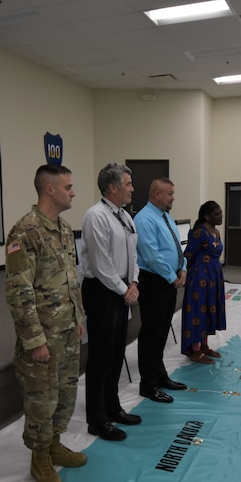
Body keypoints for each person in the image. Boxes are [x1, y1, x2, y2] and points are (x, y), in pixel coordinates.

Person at [5, 164, 86, 482]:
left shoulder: (65, 229)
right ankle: (39, 455)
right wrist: (34, 340)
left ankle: (54, 442)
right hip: (43, 336)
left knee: (65, 393)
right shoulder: (25, 232)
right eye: (68, 186)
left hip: (67, 330)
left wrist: (79, 320)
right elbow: (18, 291)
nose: (73, 191)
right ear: (49, 190)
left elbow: (71, 281)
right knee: (42, 399)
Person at [80, 163, 141, 441]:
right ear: (113, 187)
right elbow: (100, 263)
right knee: (101, 357)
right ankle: (97, 418)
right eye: (127, 184)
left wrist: (134, 282)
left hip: (121, 290)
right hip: (104, 292)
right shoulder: (96, 216)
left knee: (117, 353)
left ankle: (113, 408)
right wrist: (123, 289)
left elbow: (133, 254)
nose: (131, 189)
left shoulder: (124, 216)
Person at [134, 178, 188, 403]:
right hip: (155, 282)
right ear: (157, 194)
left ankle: (160, 375)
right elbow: (151, 254)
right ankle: (148, 384)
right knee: (151, 334)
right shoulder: (144, 219)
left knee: (163, 330)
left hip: (169, 281)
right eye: (170, 193)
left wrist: (183, 268)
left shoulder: (165, 216)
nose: (173, 197)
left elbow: (177, 246)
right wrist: (171, 276)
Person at [181, 201, 226, 364]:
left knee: (209, 309)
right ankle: (195, 350)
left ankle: (205, 345)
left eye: (221, 212)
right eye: (217, 214)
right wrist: (185, 273)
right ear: (207, 216)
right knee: (198, 312)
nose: (221, 216)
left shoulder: (216, 232)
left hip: (214, 277)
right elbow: (188, 254)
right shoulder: (199, 232)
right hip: (199, 278)